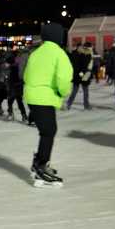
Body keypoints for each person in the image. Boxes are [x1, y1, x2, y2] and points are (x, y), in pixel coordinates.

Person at [23, 23, 72, 187]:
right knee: (48, 131)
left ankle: (39, 163)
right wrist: (63, 92)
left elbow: (27, 75)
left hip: (32, 97)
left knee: (47, 131)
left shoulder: (35, 53)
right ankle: (41, 167)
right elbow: (64, 79)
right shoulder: (59, 54)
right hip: (45, 98)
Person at [66, 43, 93, 110]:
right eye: (80, 47)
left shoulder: (86, 55)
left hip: (83, 75)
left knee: (85, 92)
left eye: (82, 47)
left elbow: (87, 66)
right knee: (75, 91)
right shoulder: (77, 54)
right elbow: (78, 66)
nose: (82, 49)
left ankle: (86, 105)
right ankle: (69, 104)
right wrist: (81, 73)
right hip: (78, 76)